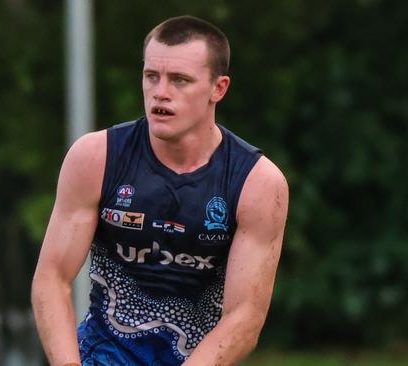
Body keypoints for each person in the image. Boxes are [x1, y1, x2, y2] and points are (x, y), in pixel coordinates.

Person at [31, 15, 288, 366]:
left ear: (219, 88)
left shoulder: (258, 183)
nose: (160, 92)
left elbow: (244, 318)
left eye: (180, 80)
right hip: (103, 355)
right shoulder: (95, 158)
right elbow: (52, 279)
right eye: (152, 76)